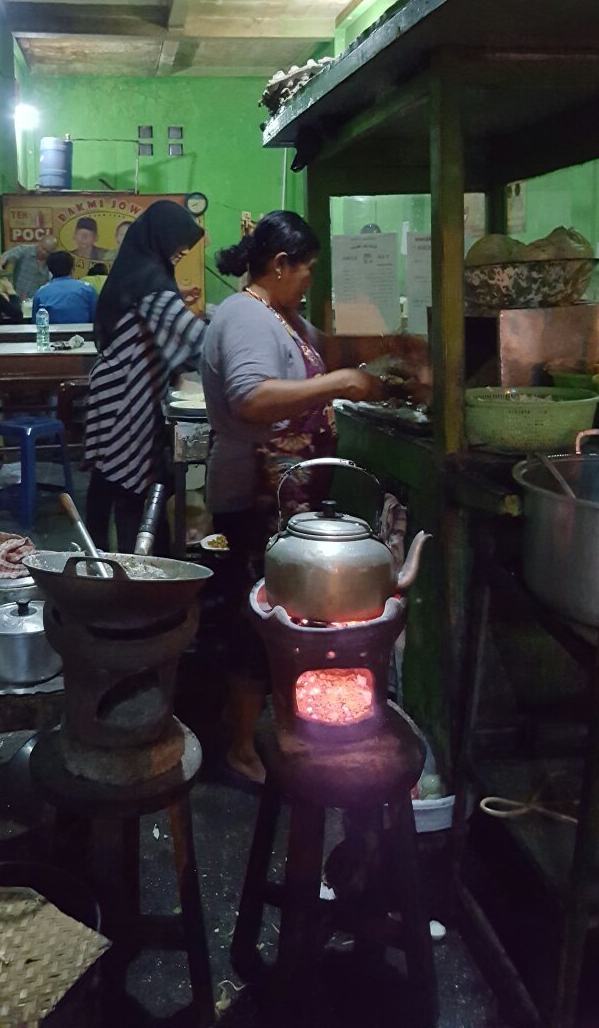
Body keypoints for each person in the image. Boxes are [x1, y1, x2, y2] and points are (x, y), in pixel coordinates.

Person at [202, 211, 388, 785]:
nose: (310, 281)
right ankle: (238, 745)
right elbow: (251, 399)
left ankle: (281, 724)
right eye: (306, 270)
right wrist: (340, 383)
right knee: (254, 619)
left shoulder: (279, 317)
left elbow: (319, 351)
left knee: (280, 616)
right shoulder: (245, 317)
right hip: (253, 496)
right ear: (279, 266)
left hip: (286, 497)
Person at [84, 201, 206, 553]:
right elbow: (192, 336)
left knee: (107, 478)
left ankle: (98, 562)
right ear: (160, 236)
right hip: (124, 392)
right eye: (179, 241)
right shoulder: (150, 280)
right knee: (127, 482)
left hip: (115, 385)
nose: (182, 249)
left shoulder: (140, 270)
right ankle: (126, 569)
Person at [31, 251, 98, 324]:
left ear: (49, 269)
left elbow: (36, 323)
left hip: (51, 334)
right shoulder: (87, 289)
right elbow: (96, 318)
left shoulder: (41, 293)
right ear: (72, 268)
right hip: (83, 334)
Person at [0, 235, 56, 299]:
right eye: (43, 248)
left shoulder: (51, 261)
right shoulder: (24, 250)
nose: (44, 252)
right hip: (17, 297)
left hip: (36, 301)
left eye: (48, 252)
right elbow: (5, 256)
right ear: (39, 243)